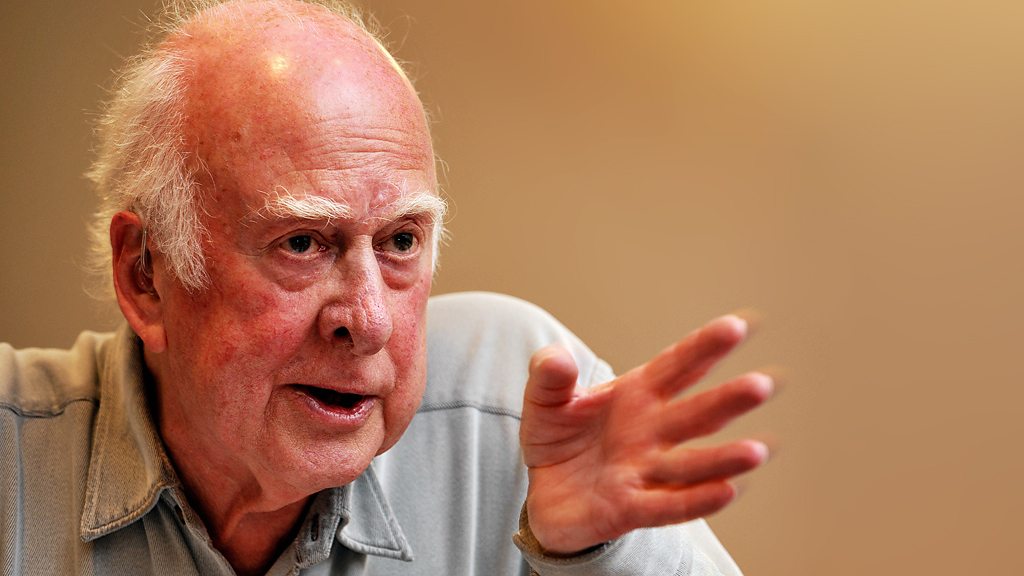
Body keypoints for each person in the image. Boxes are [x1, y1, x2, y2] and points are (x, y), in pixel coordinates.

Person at [0, 1, 773, 574]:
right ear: (146, 275)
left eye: (401, 241)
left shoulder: (523, 417)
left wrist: (599, 558)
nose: (368, 320)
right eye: (303, 243)